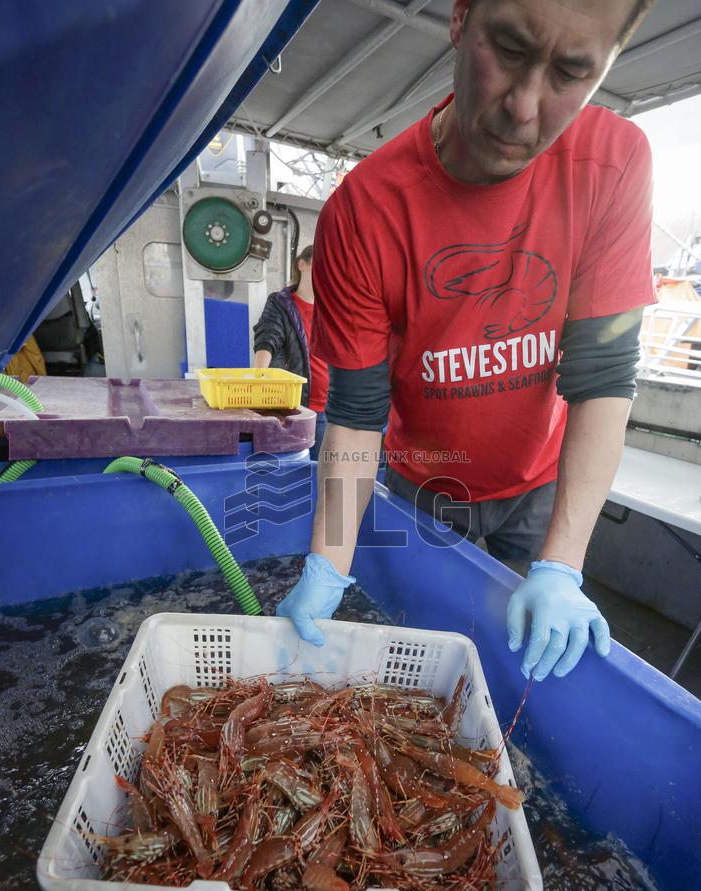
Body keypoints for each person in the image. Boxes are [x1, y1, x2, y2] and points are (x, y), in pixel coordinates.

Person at [277, 0, 658, 683]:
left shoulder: (614, 162)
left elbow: (604, 375)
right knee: (421, 659)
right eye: (508, 49)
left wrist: (561, 565)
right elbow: (358, 414)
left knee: (520, 668)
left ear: (605, 69)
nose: (522, 108)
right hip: (426, 482)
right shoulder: (363, 211)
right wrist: (327, 566)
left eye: (571, 72)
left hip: (541, 484)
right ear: (459, 18)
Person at [253, 244, 329, 460]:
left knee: (325, 476)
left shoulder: (332, 309)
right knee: (300, 475)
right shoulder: (281, 303)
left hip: (332, 409)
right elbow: (268, 337)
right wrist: (258, 378)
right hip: (299, 409)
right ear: (302, 264)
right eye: (319, 265)